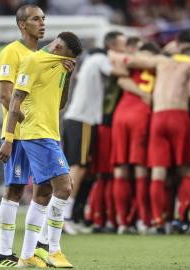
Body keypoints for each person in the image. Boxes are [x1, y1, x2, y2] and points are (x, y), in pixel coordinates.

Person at [0, 32, 82, 268]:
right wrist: (9, 138)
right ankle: (52, 249)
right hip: (36, 133)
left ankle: (27, 255)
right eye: (66, 57)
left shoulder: (59, 65)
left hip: (51, 133)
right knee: (64, 187)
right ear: (57, 46)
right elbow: (14, 100)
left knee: (43, 192)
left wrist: (68, 75)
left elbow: (60, 104)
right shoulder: (32, 62)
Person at [121, 30, 190, 233]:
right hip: (179, 116)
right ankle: (180, 218)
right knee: (186, 169)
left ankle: (157, 221)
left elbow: (130, 62)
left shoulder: (160, 61)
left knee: (158, 172)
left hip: (158, 117)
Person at [0, 4, 47, 268]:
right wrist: (12, 133)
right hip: (19, 134)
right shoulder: (11, 52)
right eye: (35, 19)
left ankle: (34, 251)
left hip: (41, 134)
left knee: (45, 189)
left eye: (43, 18)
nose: (42, 23)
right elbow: (5, 95)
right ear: (22, 25)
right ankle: (4, 254)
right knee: (15, 189)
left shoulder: (42, 55)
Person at [61, 31, 128, 233]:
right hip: (84, 120)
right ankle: (64, 216)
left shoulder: (90, 60)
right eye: (122, 46)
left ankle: (67, 214)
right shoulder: (100, 58)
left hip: (76, 118)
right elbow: (121, 73)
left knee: (79, 167)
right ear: (112, 47)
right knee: (78, 167)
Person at [111, 42, 159, 234]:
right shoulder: (158, 65)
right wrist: (145, 95)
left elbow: (121, 80)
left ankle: (123, 222)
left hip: (120, 115)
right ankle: (143, 221)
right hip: (141, 116)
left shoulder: (131, 66)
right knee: (141, 172)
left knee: (121, 171)